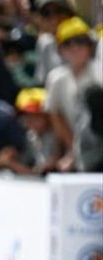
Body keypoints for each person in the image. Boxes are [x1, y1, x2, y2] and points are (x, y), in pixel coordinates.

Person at [45, 17, 100, 171]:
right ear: (60, 50)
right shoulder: (56, 78)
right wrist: (74, 150)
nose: (74, 47)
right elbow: (55, 115)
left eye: (80, 41)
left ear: (90, 46)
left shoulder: (99, 72)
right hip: (75, 145)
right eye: (67, 43)